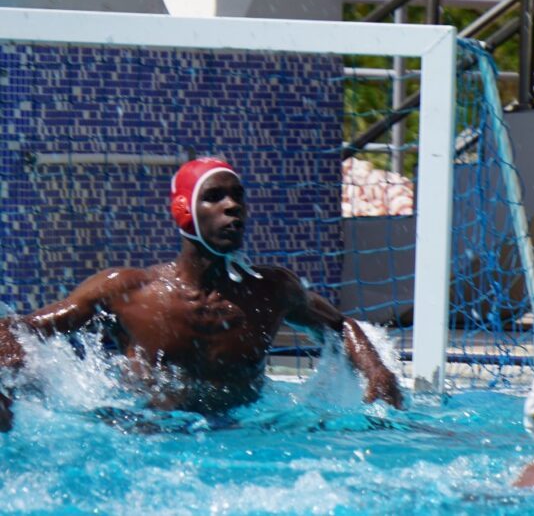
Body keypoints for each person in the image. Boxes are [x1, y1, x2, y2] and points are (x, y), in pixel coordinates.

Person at [0, 157, 402, 432]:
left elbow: (341, 324)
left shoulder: (272, 290)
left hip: (245, 434)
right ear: (183, 210)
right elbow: (23, 328)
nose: (233, 208)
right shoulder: (129, 290)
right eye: (215, 197)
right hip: (146, 434)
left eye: (238, 197)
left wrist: (378, 373)